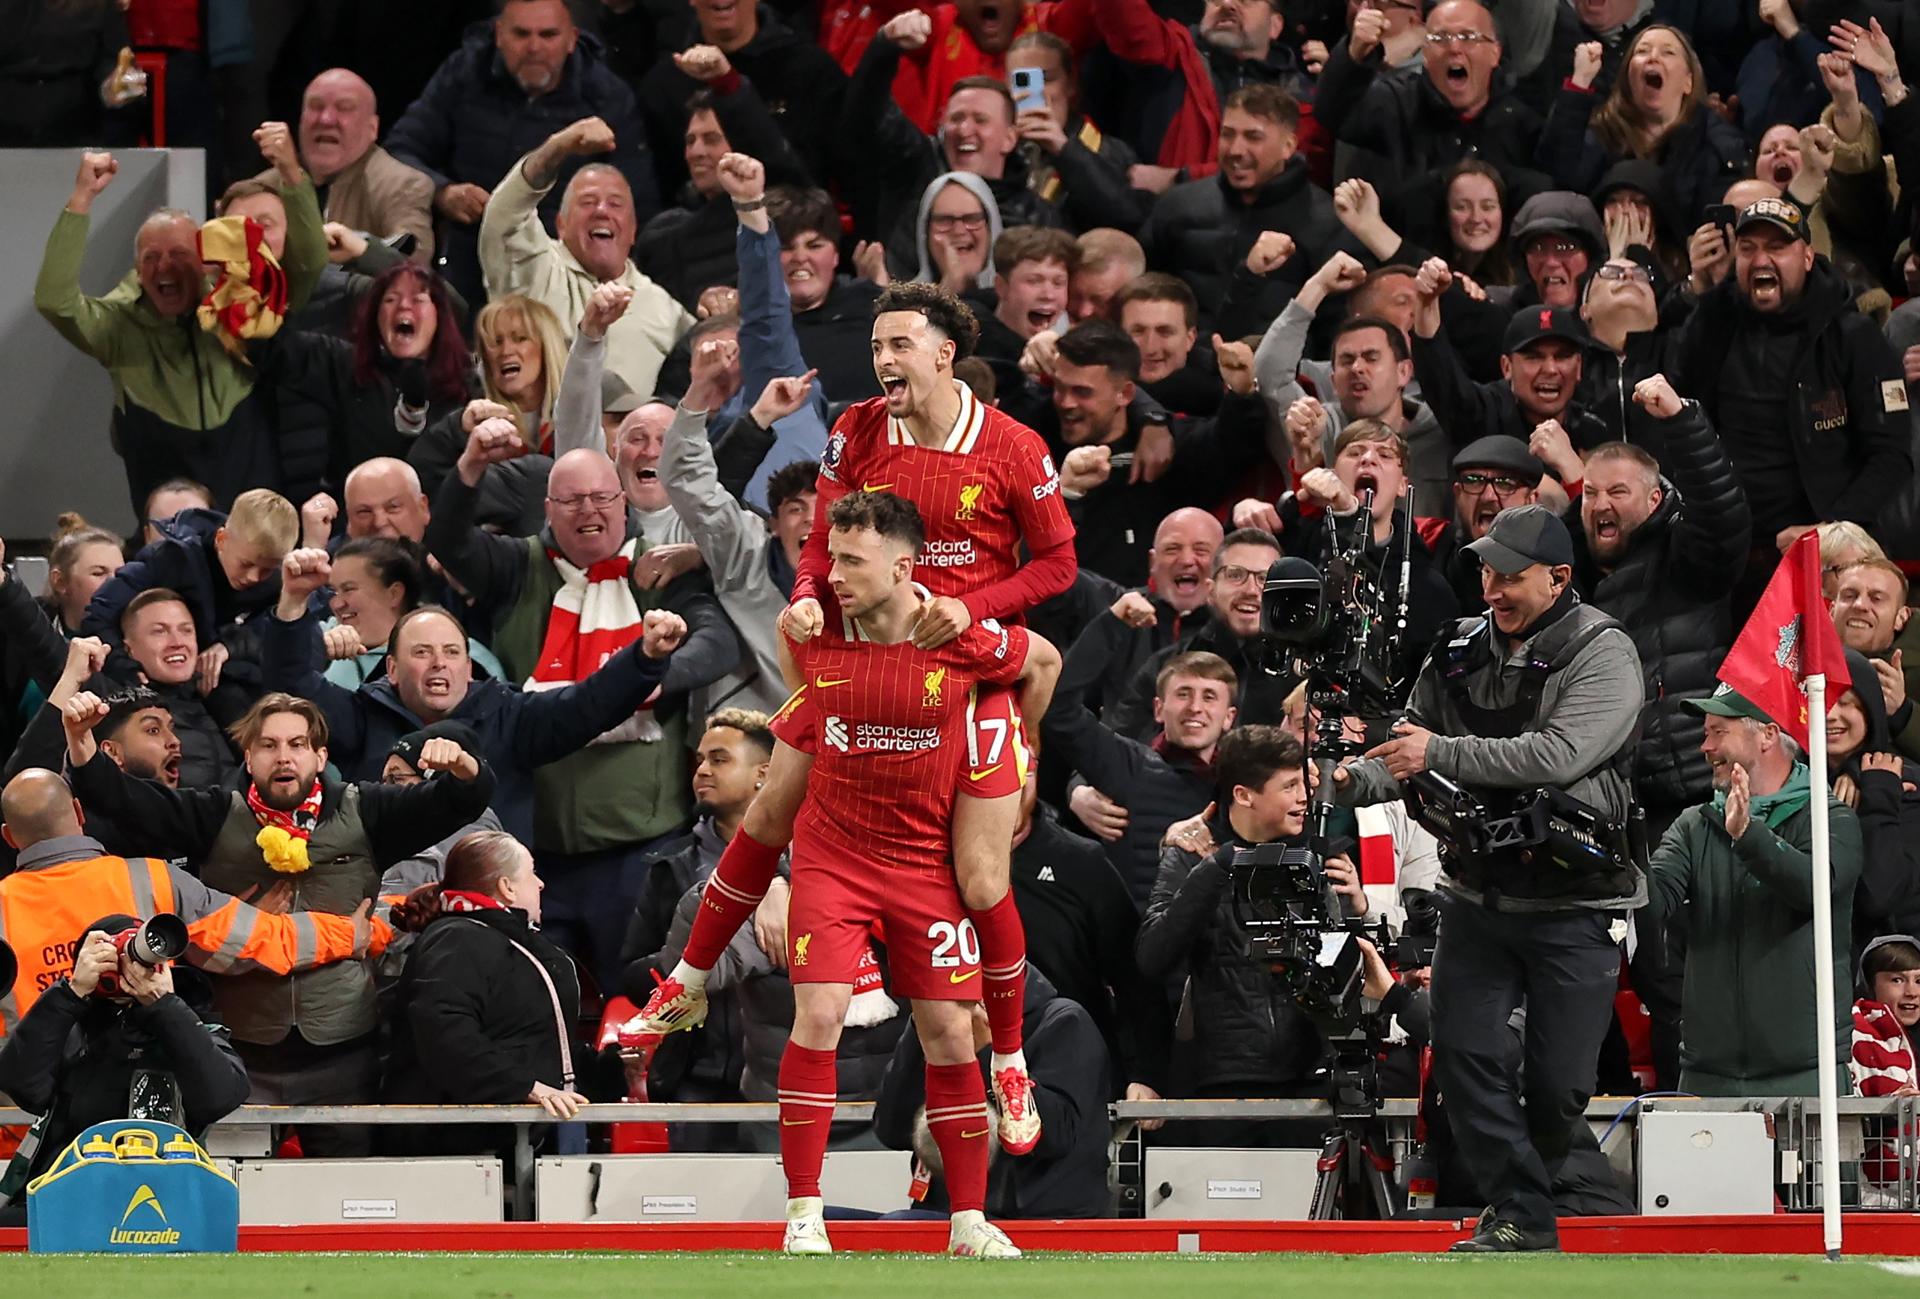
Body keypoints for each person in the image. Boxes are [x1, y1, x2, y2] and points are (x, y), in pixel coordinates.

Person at [636, 282, 1077, 1147]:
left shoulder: (1014, 447)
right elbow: (819, 542)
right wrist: (807, 593)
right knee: (767, 810)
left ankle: (1012, 1056)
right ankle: (684, 981)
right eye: (876, 346)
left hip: (963, 667)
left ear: (945, 352)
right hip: (860, 663)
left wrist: (974, 607)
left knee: (981, 881)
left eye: (899, 345)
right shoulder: (858, 429)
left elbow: (1058, 564)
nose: (883, 361)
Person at [734, 491, 1063, 1257]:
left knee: (950, 1022)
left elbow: (1043, 660)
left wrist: (1021, 744)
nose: (834, 574)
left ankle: (969, 1217)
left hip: (925, 845)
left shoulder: (959, 628)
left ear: (905, 567)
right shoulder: (814, 625)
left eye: (852, 560)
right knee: (819, 1011)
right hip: (839, 846)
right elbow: (802, 693)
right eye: (833, 558)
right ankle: (804, 1211)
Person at [1333, 503, 1645, 1252]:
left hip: (1577, 901)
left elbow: (1558, 755)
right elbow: (1407, 749)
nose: (1492, 588)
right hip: (1476, 895)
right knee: (1464, 1057)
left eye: (1510, 575)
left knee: (1560, 1086)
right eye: (1485, 571)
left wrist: (1438, 752)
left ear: (1559, 578)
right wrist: (1348, 780)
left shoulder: (1604, 650)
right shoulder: (1458, 648)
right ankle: (1521, 1213)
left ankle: (1527, 1202)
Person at [61, 691, 496, 1154]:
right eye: (268, 745)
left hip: (345, 1054)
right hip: (241, 1055)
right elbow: (125, 799)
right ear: (249, 758)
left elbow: (459, 801)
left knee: (348, 1188)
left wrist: (463, 767)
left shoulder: (368, 810)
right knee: (237, 1187)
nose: (283, 757)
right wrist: (79, 738)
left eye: (297, 744)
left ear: (320, 756)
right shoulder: (214, 814)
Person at [35, 135, 325, 513]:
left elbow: (310, 263)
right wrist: (81, 199)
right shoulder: (118, 327)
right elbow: (53, 300)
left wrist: (291, 172)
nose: (164, 266)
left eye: (179, 253)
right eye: (151, 257)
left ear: (204, 262)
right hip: (167, 523)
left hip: (253, 520)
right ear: (138, 270)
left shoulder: (239, 305)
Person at [0, 764, 384, 1038]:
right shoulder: (151, 879)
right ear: (79, 813)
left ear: (9, 837)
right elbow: (259, 941)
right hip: (136, 1109)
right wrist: (350, 934)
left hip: (23, 1119)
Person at [1670, 198, 1909, 593]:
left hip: (1826, 553)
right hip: (1724, 549)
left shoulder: (1852, 335)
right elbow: (1675, 429)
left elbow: (1892, 454)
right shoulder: (1710, 324)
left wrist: (1828, 532)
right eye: (1748, 248)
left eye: (1777, 247)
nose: (1761, 259)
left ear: (1808, 257)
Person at [1643, 685, 1861, 1096]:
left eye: (1718, 731)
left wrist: (1748, 835)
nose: (1705, 747)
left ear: (1768, 735)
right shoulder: (1695, 824)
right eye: (1705, 733)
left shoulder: (1829, 818)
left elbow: (1812, 889)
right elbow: (1653, 903)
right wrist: (1622, 866)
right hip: (1707, 1073)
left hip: (1807, 1071)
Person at [382, 0, 656, 305]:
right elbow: (399, 151)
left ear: (572, 39)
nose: (534, 48)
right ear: (499, 34)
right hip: (468, 258)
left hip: (564, 270)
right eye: (522, 34)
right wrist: (443, 192)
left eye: (548, 35)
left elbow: (638, 199)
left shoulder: (608, 97)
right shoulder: (464, 74)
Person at [1138, 726, 1335, 1143]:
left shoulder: (1317, 856)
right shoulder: (1191, 856)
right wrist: (1216, 868)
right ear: (1244, 795)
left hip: (1313, 1078)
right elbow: (1152, 956)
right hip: (1223, 1080)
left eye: (1303, 783)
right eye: (1289, 786)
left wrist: (1353, 906)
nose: (1305, 796)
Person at [1573, 393, 1752, 829]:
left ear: (1655, 500)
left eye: (1618, 491)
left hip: (1708, 787)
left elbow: (1721, 513)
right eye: (1590, 493)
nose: (1600, 504)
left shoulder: (1684, 556)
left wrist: (1683, 420)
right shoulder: (1576, 576)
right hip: (1632, 803)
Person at [0, 916, 248, 1225]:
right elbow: (24, 1088)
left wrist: (165, 1007)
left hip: (164, 1194)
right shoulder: (69, 1024)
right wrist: (71, 992)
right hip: (66, 1191)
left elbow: (221, 1097)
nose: (130, 968)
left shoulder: (188, 1024)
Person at [383, 831, 592, 1156]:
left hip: (512, 1139)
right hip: (457, 1150)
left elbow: (531, 1039)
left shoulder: (502, 938)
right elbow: (444, 1033)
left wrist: (609, 1067)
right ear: (507, 887)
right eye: (532, 873)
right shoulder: (457, 940)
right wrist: (523, 1087)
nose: (540, 884)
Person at [1016, 319, 1265, 588]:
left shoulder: (1173, 446)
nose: (1066, 402)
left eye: (1082, 392)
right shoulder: (1034, 440)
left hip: (1163, 607)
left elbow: (1230, 444)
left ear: (1125, 394)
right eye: (1059, 388)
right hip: (1065, 605)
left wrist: (1242, 395)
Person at [481, 115, 694, 401]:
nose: (602, 211)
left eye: (615, 204)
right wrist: (558, 146)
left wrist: (722, 313)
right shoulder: (535, 270)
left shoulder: (666, 310)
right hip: (541, 429)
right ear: (561, 225)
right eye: (588, 202)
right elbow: (504, 216)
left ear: (633, 231)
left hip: (636, 430)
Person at [873, 972, 1114, 1219]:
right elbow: (891, 1131)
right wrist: (921, 1031)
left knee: (896, 1224)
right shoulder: (936, 1021)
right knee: (852, 1222)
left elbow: (1058, 1137)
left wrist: (987, 1052)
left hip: (1031, 1216)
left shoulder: (1063, 1021)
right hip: (946, 1209)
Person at [1137, 84, 1359, 339]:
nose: (1235, 150)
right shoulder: (1178, 205)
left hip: (1278, 362)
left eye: (1253, 137)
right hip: (1187, 359)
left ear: (1288, 146)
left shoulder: (1327, 223)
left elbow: (1335, 326)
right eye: (1227, 134)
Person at [1314, 0, 1548, 233]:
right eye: (1440, 38)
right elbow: (1333, 113)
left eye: (1469, 37)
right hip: (1401, 249)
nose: (1454, 48)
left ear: (1495, 52)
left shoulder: (1520, 123)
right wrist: (1353, 55)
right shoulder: (1397, 101)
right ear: (1425, 53)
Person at [1046, 647, 1239, 908]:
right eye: (1183, 694)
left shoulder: (1242, 783)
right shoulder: (1127, 763)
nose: (1195, 707)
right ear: (1158, 709)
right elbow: (1058, 707)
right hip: (1132, 930)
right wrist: (1113, 627)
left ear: (1229, 717)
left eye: (1209, 697)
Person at [1541, 26, 1750, 230]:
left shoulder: (1714, 142)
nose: (1653, 57)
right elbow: (1562, 175)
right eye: (1642, 51)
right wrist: (1581, 80)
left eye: (1668, 52)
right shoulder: (1604, 132)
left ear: (1688, 82)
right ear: (1628, 78)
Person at [1099, 529, 1285, 745]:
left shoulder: (1305, 670)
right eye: (1235, 575)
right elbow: (1119, 747)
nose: (1251, 590)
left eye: (1265, 579)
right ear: (1210, 590)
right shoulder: (1165, 665)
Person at [285, 68, 434, 263]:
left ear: (372, 128)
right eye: (316, 107)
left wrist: (361, 249)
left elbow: (414, 259)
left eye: (344, 108)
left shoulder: (402, 184)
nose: (326, 119)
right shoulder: (275, 181)